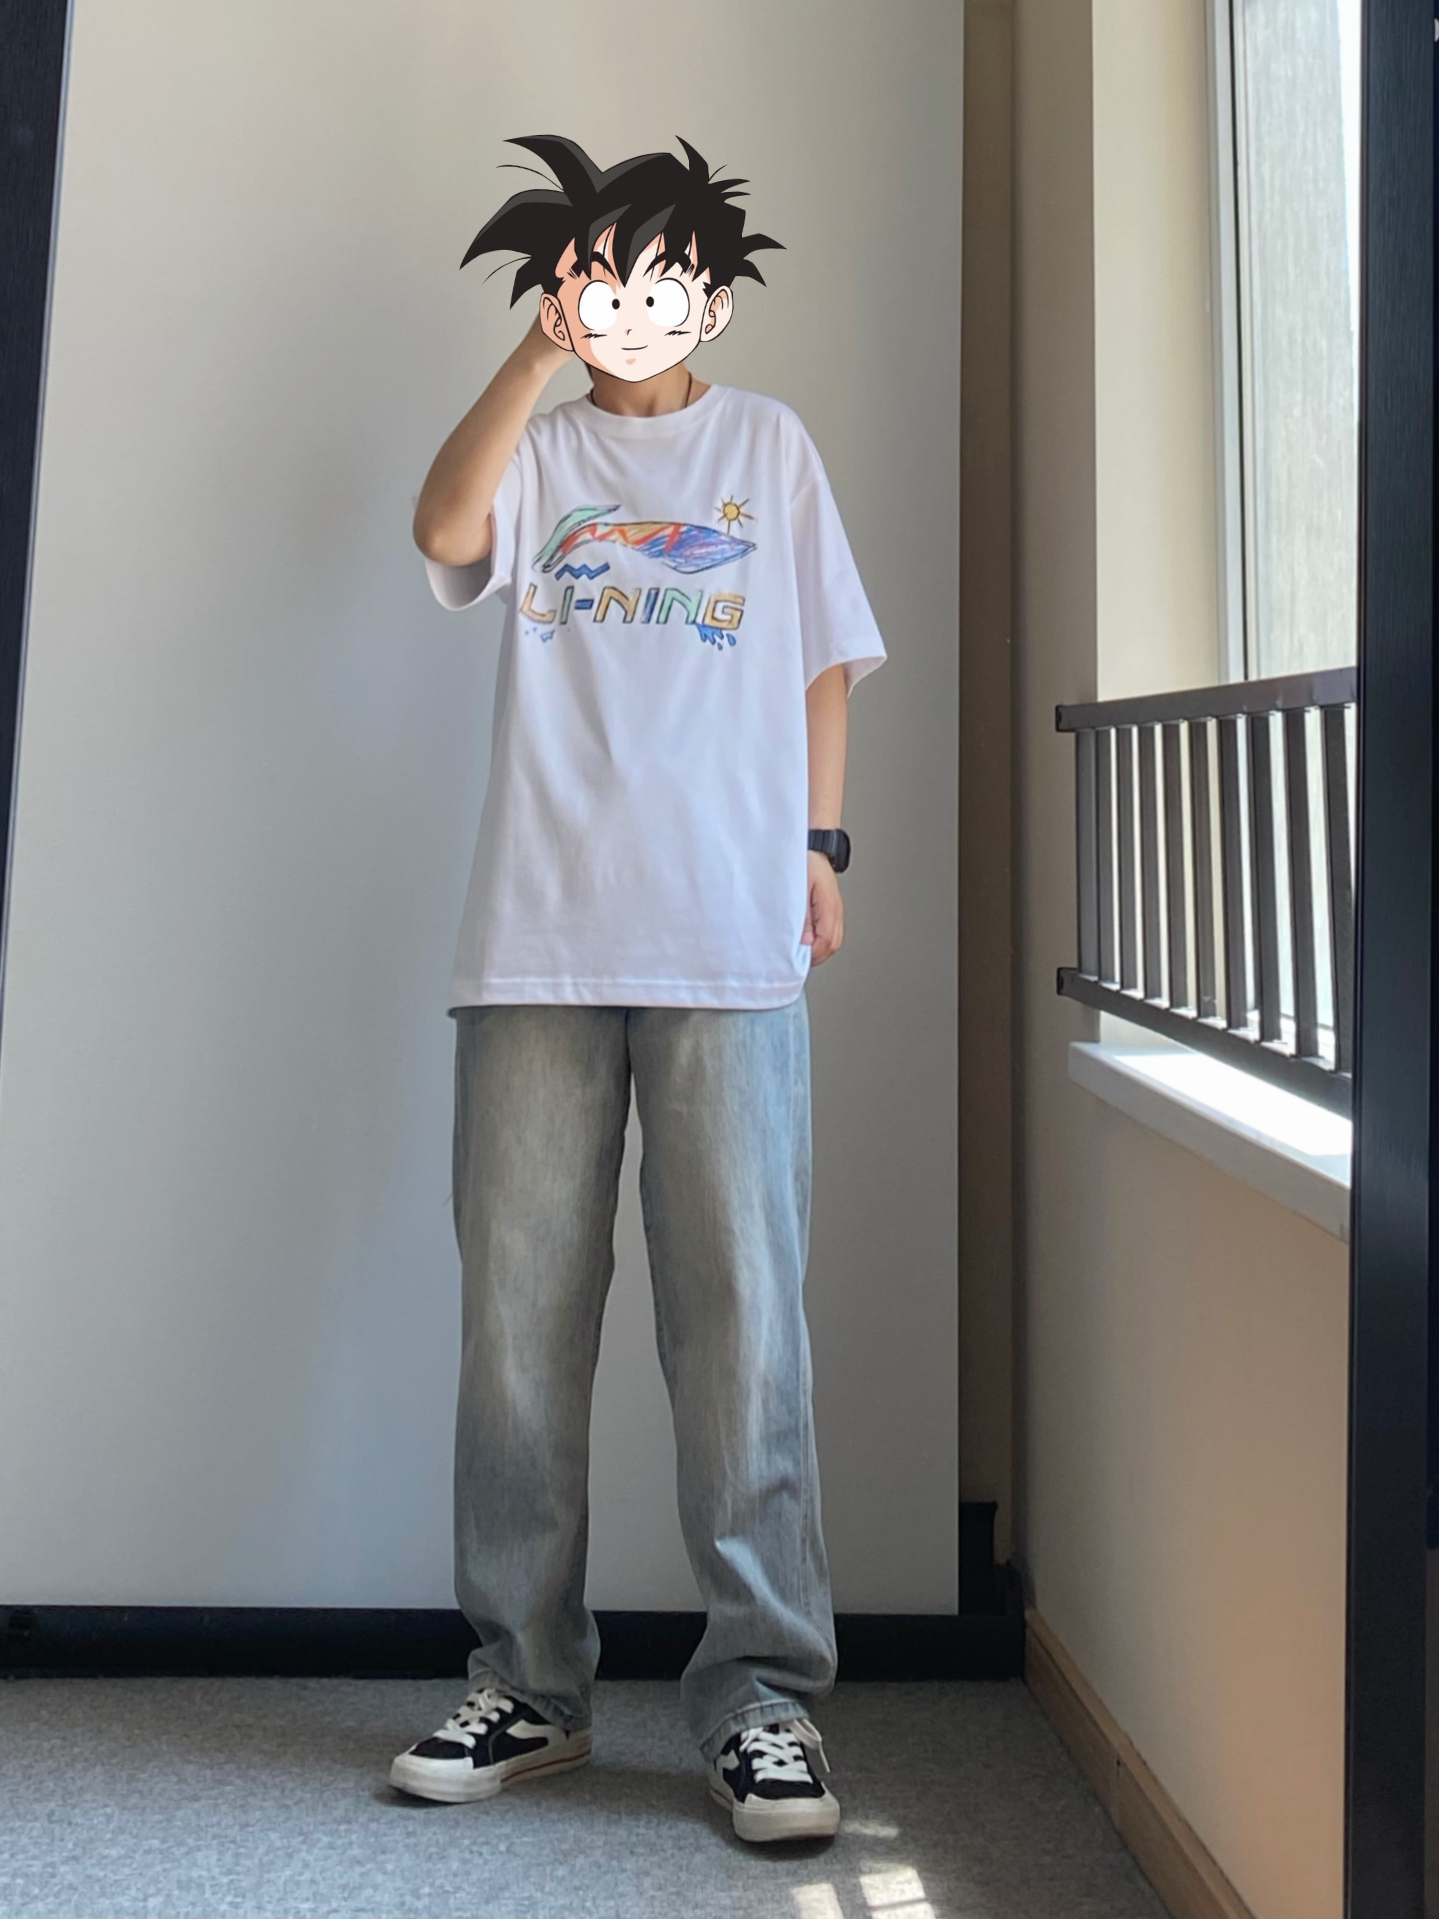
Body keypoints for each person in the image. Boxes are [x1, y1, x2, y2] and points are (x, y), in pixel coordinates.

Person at [389, 134, 885, 1845]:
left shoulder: (770, 446)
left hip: (731, 940)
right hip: (537, 938)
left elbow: (823, 658)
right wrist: (529, 365)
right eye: (593, 282)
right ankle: (526, 1683)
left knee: (742, 1325)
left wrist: (821, 843)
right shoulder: (538, 450)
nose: (625, 307)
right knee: (519, 1332)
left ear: (713, 296)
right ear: (564, 295)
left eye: (656, 278)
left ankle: (765, 1697)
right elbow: (441, 529)